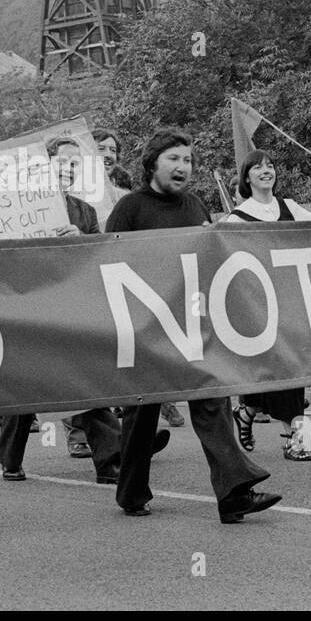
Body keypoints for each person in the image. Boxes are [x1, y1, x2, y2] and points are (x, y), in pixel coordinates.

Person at [106, 127, 280, 522]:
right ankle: (132, 493)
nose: (183, 166)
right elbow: (108, 265)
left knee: (211, 400)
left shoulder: (196, 205)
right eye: (173, 158)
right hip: (147, 328)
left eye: (187, 160)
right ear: (152, 163)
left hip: (191, 322)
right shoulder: (131, 208)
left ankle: (234, 493)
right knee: (142, 413)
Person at [0, 137, 160, 483]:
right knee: (26, 386)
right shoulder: (18, 209)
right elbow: (1, 259)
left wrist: (80, 241)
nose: (69, 169)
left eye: (75, 164)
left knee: (86, 381)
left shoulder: (84, 212)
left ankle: (111, 458)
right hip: (29, 308)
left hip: (71, 307)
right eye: (62, 161)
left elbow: (99, 258)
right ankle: (10, 455)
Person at [221, 148, 311, 460]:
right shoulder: (235, 220)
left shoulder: (289, 207)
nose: (266, 171)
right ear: (247, 177)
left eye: (270, 166)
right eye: (258, 167)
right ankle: (269, 420)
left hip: (291, 302)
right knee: (270, 371)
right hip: (258, 308)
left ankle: (261, 418)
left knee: (291, 369)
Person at [92, 127, 186, 431]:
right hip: (93, 284)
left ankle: (130, 443)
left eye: (112, 150)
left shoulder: (125, 195)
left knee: (136, 367)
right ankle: (109, 441)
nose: (108, 155)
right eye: (100, 148)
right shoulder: (65, 196)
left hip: (139, 290)